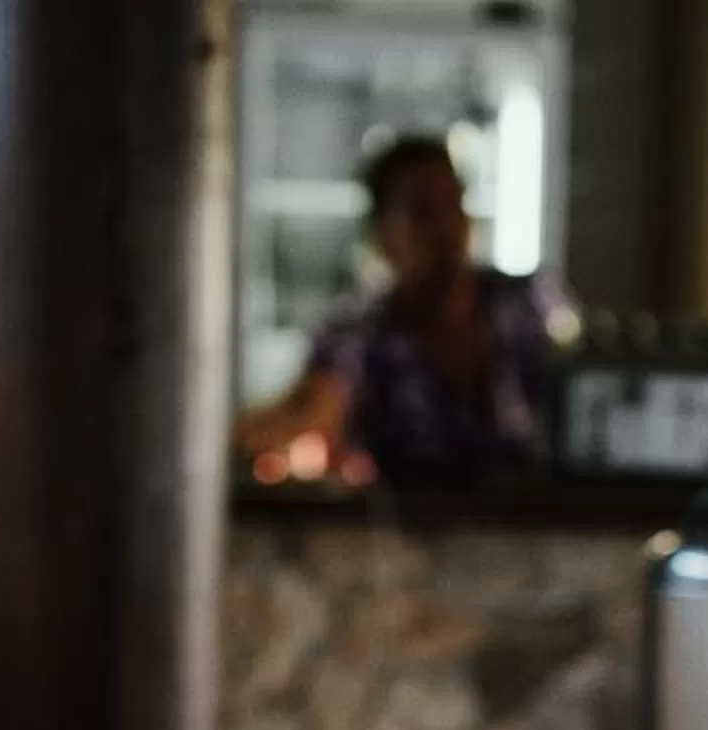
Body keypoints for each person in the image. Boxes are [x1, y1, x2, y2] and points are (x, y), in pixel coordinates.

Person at [238, 133, 559, 485]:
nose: (444, 227)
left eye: (453, 203)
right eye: (421, 211)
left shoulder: (527, 302)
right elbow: (307, 412)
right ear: (380, 232)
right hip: (409, 537)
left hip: (545, 530)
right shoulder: (359, 330)